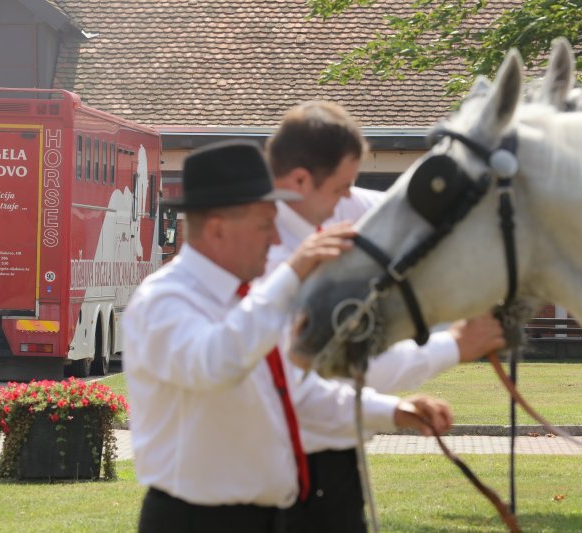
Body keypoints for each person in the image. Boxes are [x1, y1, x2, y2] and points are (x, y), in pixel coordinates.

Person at [122, 140, 454, 533]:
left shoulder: (246, 304)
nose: (276, 240)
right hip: (197, 520)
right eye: (265, 225)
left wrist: (394, 412)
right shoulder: (163, 300)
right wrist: (293, 272)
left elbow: (296, 393)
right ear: (217, 229)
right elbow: (217, 363)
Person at [264, 101, 507, 533]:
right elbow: (335, 367)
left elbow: (412, 215)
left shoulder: (321, 211)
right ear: (301, 180)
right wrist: (454, 346)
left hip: (328, 470)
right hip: (291, 476)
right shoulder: (270, 259)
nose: (347, 200)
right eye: (341, 187)